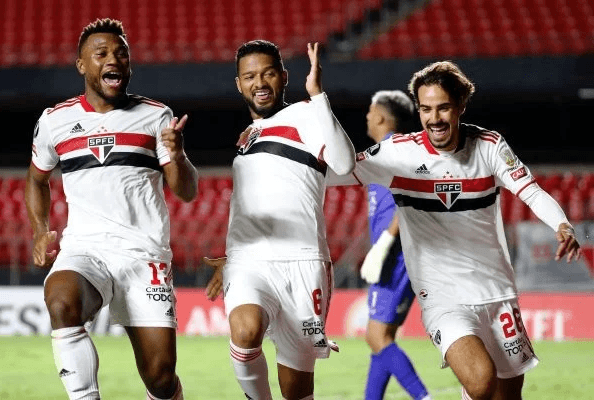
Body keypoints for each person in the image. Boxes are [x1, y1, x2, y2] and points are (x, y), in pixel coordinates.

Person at [327, 61, 581, 400]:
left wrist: (561, 223)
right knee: (480, 380)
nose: (434, 118)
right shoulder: (399, 153)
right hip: (443, 297)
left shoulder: (489, 146)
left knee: (508, 393)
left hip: (497, 292)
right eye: (426, 109)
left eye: (443, 107)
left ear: (460, 106)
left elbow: (530, 191)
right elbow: (336, 172)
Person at [24, 18, 198, 400]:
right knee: (60, 298)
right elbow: (37, 179)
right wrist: (40, 229)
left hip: (143, 254)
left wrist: (179, 155)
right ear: (82, 65)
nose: (113, 59)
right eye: (101, 53)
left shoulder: (156, 116)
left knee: (161, 379)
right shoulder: (55, 121)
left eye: (121, 53)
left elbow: (185, 191)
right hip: (85, 249)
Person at [205, 39, 355, 400]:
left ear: (284, 77)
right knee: (244, 331)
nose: (259, 82)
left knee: (297, 389)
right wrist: (231, 255)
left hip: (304, 264)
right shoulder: (246, 137)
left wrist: (318, 96)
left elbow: (345, 163)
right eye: (250, 76)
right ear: (239, 84)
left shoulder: (306, 114)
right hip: (250, 261)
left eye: (268, 73)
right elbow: (245, 204)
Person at [359, 91, 430, 400]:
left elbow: (408, 202)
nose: (366, 117)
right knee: (380, 338)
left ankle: (423, 397)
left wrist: (384, 243)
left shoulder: (394, 152)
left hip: (397, 255)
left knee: (376, 337)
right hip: (398, 254)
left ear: (381, 117)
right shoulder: (387, 153)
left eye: (370, 112)